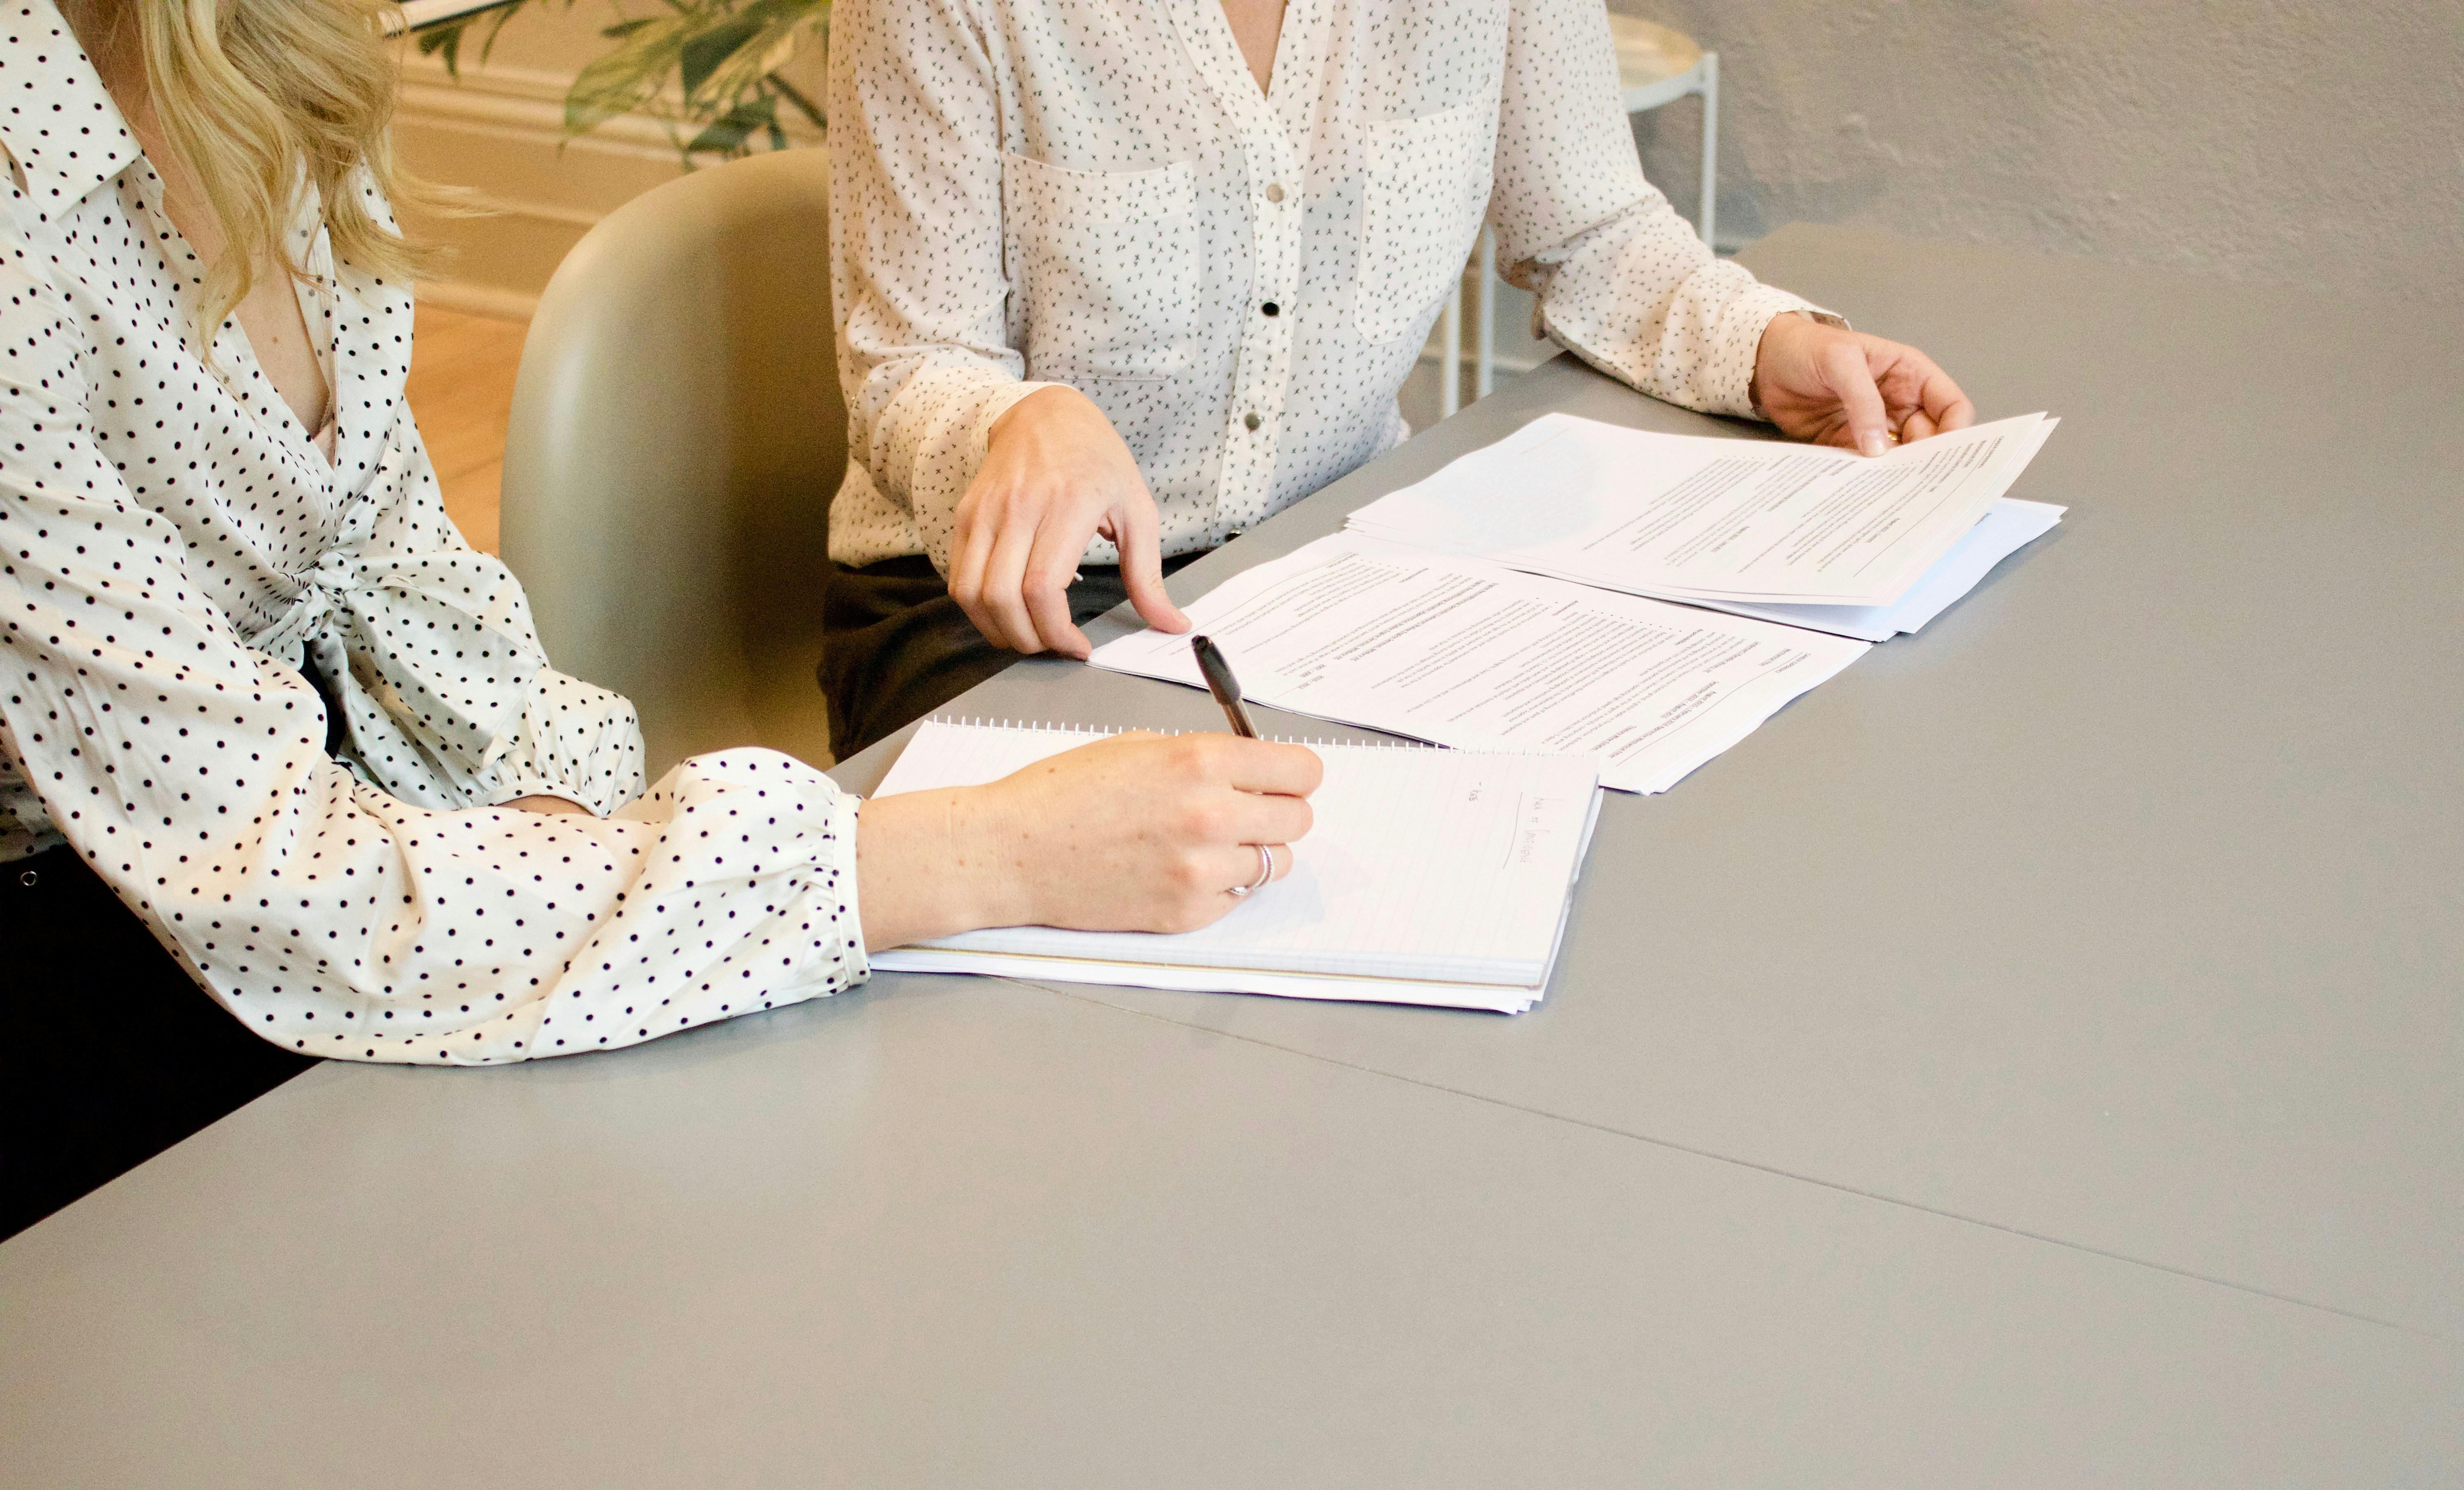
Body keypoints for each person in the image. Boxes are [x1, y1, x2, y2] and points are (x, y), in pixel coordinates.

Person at [0, 0, 1318, 1240]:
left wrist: (561, 819)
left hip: (328, 845)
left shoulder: (268, 59)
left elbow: (399, 576)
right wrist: (979, 857)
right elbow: (280, 882)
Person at [821, 0, 1978, 756]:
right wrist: (1019, 421)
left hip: (1326, 570)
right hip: (1000, 610)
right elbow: (908, 361)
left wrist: (1768, 345)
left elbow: (1589, 229)